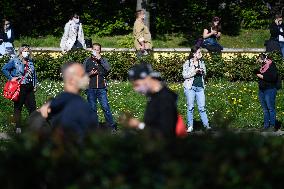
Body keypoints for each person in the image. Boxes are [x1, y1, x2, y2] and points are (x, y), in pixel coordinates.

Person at [37, 62, 98, 138]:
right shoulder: (81, 107)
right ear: (71, 80)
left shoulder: (51, 104)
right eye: (82, 75)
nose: (87, 78)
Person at [127, 63, 178, 137]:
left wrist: (139, 125)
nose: (135, 89)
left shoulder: (165, 98)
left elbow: (165, 132)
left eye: (136, 84)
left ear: (147, 78)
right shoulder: (154, 96)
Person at [2, 44, 37, 133]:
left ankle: (33, 127)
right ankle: (18, 127)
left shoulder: (30, 62)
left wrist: (35, 84)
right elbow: (4, 69)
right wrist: (11, 78)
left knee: (32, 107)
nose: (27, 52)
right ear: (21, 51)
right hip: (19, 86)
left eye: (28, 51)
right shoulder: (15, 61)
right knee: (18, 107)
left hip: (29, 87)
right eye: (25, 51)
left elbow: (34, 75)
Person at [83, 43, 117, 131]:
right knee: (92, 109)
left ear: (100, 51)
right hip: (90, 88)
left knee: (106, 107)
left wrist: (100, 59)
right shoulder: (87, 60)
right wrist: (90, 73)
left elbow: (108, 69)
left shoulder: (104, 60)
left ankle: (112, 127)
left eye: (98, 50)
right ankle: (94, 128)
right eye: (94, 49)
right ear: (91, 50)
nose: (96, 51)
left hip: (102, 88)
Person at [183, 47, 211, 132]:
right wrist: (194, 71)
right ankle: (190, 126)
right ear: (194, 54)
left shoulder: (202, 62)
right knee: (190, 107)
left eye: (200, 52)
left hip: (200, 87)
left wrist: (202, 71)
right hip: (190, 87)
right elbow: (184, 75)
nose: (200, 54)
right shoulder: (187, 63)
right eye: (199, 52)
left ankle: (206, 126)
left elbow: (205, 74)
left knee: (202, 107)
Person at [255, 54, 279, 131]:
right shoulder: (262, 66)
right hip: (262, 89)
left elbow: (272, 77)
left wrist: (260, 76)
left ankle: (272, 126)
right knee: (265, 109)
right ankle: (266, 126)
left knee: (270, 108)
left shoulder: (271, 65)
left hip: (270, 89)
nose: (258, 61)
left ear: (263, 59)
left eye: (259, 59)